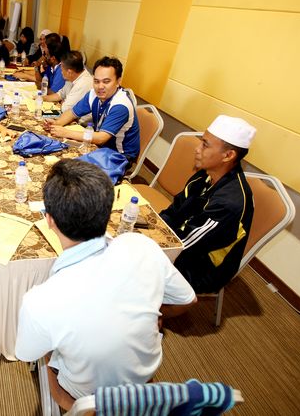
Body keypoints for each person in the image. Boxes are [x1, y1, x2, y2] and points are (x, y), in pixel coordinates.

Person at [15, 158, 196, 402]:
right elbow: (188, 299)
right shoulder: (142, 246)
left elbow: (26, 353)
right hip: (144, 375)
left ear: (49, 220)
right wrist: (155, 314)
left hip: (86, 396)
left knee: (47, 349)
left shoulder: (40, 299)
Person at [160, 115, 256, 293]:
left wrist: (150, 245)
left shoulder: (229, 203)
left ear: (228, 155)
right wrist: (151, 227)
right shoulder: (205, 174)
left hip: (202, 267)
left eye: (205, 145)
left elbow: (187, 246)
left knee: (135, 265)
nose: (197, 149)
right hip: (184, 241)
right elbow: (175, 210)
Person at [46, 56, 141, 162]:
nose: (100, 86)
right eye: (96, 81)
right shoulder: (93, 94)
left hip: (120, 155)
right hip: (100, 147)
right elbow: (72, 113)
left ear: (118, 81)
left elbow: (101, 138)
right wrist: (57, 124)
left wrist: (66, 132)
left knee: (69, 164)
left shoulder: (121, 105)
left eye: (106, 81)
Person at [43, 51, 92, 115]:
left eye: (62, 70)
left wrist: (63, 103)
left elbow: (65, 109)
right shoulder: (72, 76)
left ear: (69, 72)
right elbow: (61, 94)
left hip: (80, 120)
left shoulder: (83, 84)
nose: (61, 72)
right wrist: (43, 98)